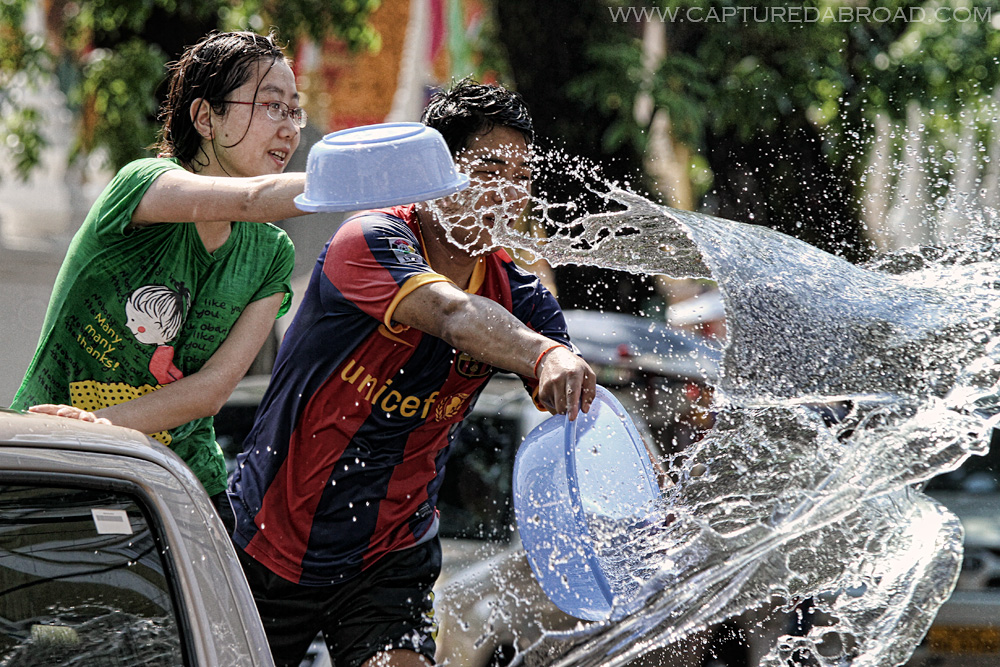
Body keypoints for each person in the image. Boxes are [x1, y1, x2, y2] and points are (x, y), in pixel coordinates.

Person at [228, 78, 597, 667]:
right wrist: (541, 354)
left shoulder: (526, 301)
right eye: (489, 167)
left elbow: (579, 424)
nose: (505, 192)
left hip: (392, 555)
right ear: (434, 169)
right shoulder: (369, 240)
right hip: (269, 542)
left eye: (520, 177)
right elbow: (452, 314)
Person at [10, 30, 310, 527]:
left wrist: (102, 424)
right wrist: (369, 176)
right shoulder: (142, 184)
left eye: (294, 110)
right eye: (271, 105)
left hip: (178, 490)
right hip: (54, 459)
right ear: (205, 117)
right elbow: (250, 199)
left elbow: (212, 388)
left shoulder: (271, 253)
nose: (289, 129)